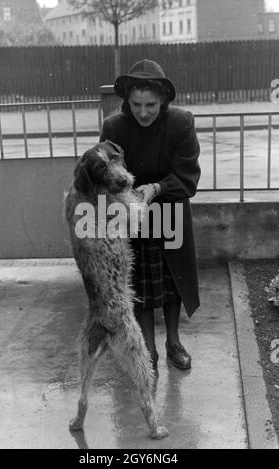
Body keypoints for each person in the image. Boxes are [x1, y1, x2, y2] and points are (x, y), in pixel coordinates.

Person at [100, 59, 201, 371]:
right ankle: (150, 350)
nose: (143, 112)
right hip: (132, 213)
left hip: (170, 206)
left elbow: (187, 174)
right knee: (140, 282)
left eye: (151, 105)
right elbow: (107, 171)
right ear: (127, 102)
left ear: (164, 101)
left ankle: (173, 342)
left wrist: (156, 188)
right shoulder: (114, 126)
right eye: (136, 105)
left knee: (173, 282)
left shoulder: (181, 123)